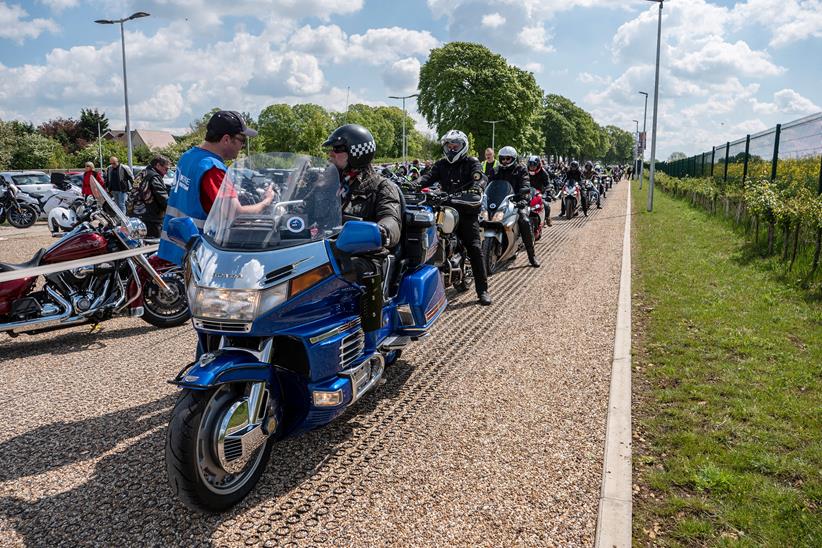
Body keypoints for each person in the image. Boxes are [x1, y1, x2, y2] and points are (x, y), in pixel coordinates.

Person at [158, 110, 274, 265]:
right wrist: (266, 202)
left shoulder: (188, 156)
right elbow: (235, 214)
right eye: (242, 140)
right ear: (226, 139)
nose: (242, 146)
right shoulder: (212, 168)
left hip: (173, 247)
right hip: (197, 256)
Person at [418, 130, 492, 306]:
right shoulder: (441, 164)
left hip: (466, 210)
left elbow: (480, 178)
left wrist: (477, 187)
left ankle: (482, 290)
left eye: (455, 145)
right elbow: (427, 178)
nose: (451, 149)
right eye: (448, 145)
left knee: (474, 247)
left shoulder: (471, 162)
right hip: (445, 209)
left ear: (463, 146)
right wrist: (411, 184)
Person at [490, 146, 540, 267]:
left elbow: (525, 183)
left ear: (513, 158)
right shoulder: (496, 170)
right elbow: (489, 183)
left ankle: (531, 256)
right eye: (503, 158)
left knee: (524, 220)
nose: (505, 161)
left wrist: (524, 197)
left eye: (508, 158)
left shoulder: (521, 170)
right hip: (499, 202)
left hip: (517, 201)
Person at [132, 155, 170, 238]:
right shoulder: (154, 177)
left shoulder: (141, 173)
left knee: (142, 243)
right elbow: (163, 199)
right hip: (151, 218)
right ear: (158, 165)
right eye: (166, 169)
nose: (166, 172)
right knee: (154, 245)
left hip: (137, 216)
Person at [526, 155, 553, 227]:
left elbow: (547, 183)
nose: (532, 167)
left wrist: (549, 193)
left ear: (538, 165)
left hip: (540, 193)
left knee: (546, 205)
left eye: (534, 165)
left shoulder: (543, 173)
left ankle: (547, 218)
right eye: (530, 165)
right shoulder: (525, 172)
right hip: (527, 192)